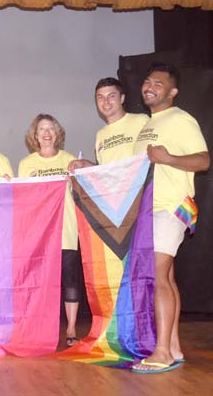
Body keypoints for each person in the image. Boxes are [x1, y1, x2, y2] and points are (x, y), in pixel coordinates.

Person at [131, 63, 209, 373]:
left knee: (158, 276)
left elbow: (204, 160)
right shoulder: (146, 126)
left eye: (158, 83)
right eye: (147, 81)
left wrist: (169, 158)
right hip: (151, 209)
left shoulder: (180, 119)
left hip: (172, 206)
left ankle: (161, 351)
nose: (149, 86)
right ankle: (173, 347)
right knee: (168, 277)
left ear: (172, 92)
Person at [18, 114, 80, 346]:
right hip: (39, 235)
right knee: (40, 284)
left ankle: (71, 329)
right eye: (41, 129)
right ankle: (40, 328)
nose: (46, 133)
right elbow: (23, 200)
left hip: (66, 231)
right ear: (35, 135)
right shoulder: (26, 164)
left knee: (70, 282)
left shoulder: (70, 160)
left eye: (50, 128)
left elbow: (82, 192)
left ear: (57, 133)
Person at [69, 77, 148, 171]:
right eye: (100, 97)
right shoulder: (100, 134)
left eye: (111, 96)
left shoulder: (141, 120)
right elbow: (105, 171)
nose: (106, 102)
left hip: (140, 185)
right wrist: (84, 164)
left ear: (122, 98)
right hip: (113, 186)